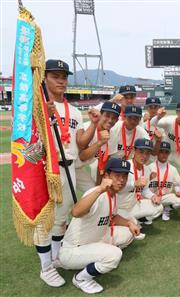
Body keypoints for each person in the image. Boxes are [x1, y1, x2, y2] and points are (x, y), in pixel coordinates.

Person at [59, 158, 141, 294]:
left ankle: (97, 256)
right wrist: (99, 190)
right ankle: (81, 278)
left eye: (125, 176)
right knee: (115, 255)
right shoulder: (96, 193)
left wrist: (129, 223)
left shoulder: (113, 195)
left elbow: (113, 217)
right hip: (72, 251)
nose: (121, 180)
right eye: (117, 175)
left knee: (128, 233)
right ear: (106, 176)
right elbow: (75, 212)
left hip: (94, 240)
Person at [36, 59, 84, 287]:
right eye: (55, 76)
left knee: (62, 218)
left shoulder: (74, 110)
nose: (61, 81)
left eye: (64, 77)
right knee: (45, 219)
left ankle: (56, 258)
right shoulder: (37, 106)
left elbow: (79, 141)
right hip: (48, 169)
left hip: (70, 166)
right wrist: (44, 114)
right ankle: (45, 267)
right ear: (44, 78)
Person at [116, 138, 163, 231]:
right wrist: (134, 184)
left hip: (134, 205)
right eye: (141, 152)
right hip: (119, 208)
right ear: (134, 150)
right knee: (133, 233)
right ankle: (128, 221)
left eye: (147, 153)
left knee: (159, 207)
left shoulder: (146, 169)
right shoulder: (124, 166)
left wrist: (153, 196)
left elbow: (144, 190)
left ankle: (138, 220)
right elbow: (116, 189)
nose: (144, 156)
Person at [76, 101, 121, 192]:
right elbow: (82, 157)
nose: (110, 120)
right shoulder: (87, 128)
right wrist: (100, 142)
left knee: (94, 192)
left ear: (117, 120)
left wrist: (99, 185)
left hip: (78, 169)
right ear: (100, 115)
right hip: (67, 166)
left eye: (113, 118)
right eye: (107, 115)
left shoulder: (113, 135)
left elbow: (103, 164)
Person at [148, 142, 180, 221]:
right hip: (152, 197)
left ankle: (167, 207)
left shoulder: (172, 169)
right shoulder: (150, 167)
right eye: (161, 151)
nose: (164, 154)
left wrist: (177, 191)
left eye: (166, 152)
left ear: (169, 154)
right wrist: (149, 178)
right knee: (149, 215)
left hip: (166, 197)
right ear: (157, 152)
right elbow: (144, 187)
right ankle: (159, 208)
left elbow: (177, 183)